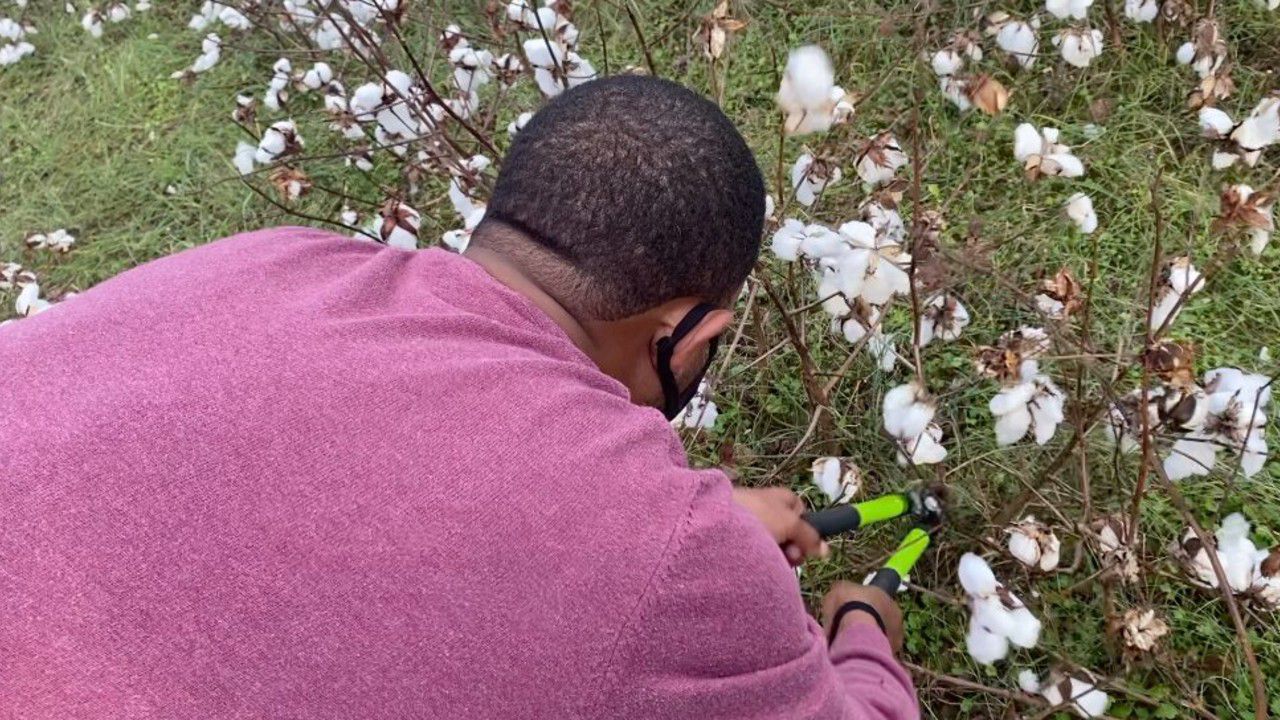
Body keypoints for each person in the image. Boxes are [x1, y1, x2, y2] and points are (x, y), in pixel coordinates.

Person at [0, 75, 918, 719]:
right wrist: (861, 636)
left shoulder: (267, 257)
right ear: (690, 334)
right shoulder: (675, 562)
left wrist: (691, 540)